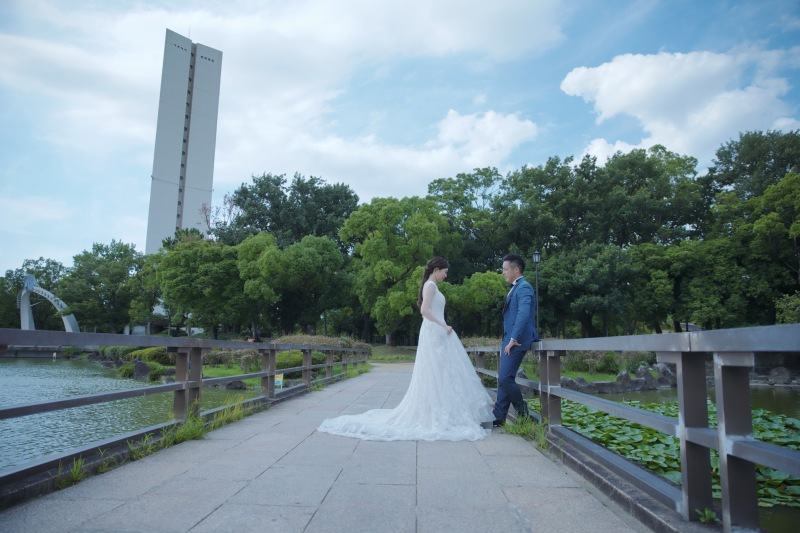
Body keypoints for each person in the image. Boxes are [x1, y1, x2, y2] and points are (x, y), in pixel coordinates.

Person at [317, 256, 494, 441]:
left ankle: (443, 409)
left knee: (441, 373)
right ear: (437, 269)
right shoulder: (430, 286)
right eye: (445, 272)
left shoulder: (432, 285)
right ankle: (438, 412)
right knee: (437, 372)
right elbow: (424, 310)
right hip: (435, 330)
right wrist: (443, 325)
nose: (446, 276)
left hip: (437, 331)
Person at [493, 254, 539, 427]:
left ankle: (523, 412)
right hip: (509, 339)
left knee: (505, 378)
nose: (503, 272)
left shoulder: (525, 288)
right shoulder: (516, 287)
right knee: (505, 377)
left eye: (505, 269)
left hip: (517, 340)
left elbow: (523, 313)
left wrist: (513, 338)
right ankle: (499, 416)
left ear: (516, 269)